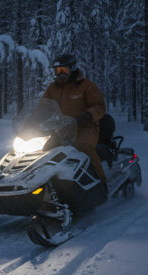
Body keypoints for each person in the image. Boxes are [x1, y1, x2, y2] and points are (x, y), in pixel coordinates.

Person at [42, 53, 107, 184]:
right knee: (45, 150)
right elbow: (42, 108)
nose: (60, 74)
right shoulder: (52, 88)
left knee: (83, 147)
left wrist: (87, 115)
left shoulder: (86, 86)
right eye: (57, 70)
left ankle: (101, 182)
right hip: (63, 128)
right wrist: (29, 123)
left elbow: (99, 106)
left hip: (86, 126)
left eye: (64, 70)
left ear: (72, 69)